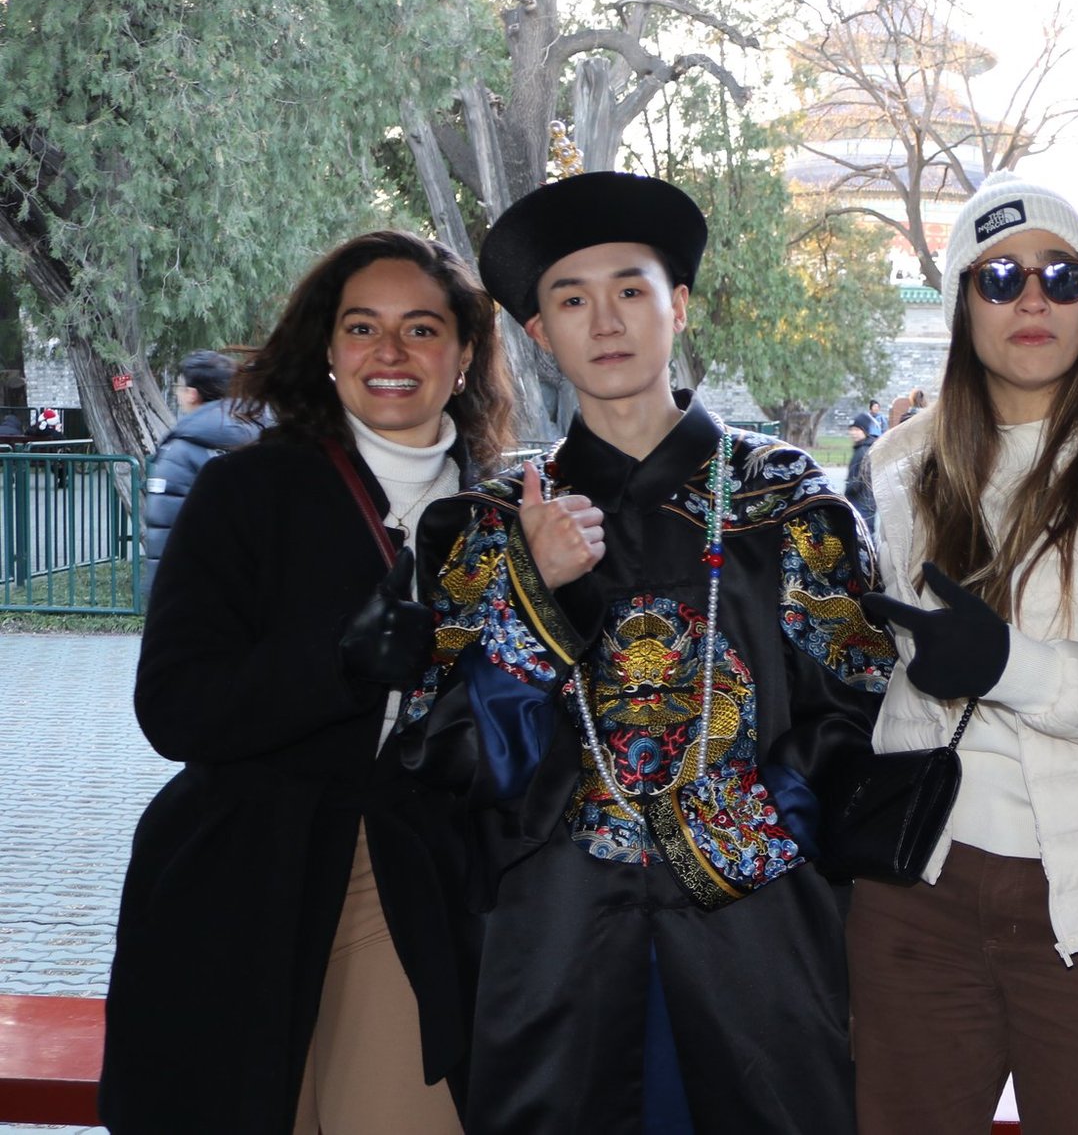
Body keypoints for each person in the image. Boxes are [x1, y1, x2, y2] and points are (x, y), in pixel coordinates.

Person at [403, 171, 893, 1135]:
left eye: (630, 290)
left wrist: (756, 823)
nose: (606, 321)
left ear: (677, 307)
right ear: (538, 335)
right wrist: (535, 591)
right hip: (556, 927)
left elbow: (861, 700)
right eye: (570, 300)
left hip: (753, 914)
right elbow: (450, 747)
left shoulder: (786, 501)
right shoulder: (489, 519)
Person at [101, 230, 513, 1134]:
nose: (391, 353)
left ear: (467, 350)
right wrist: (334, 662)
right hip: (247, 878)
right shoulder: (248, 492)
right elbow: (173, 708)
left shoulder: (509, 511)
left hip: (423, 879)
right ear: (327, 349)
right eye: (362, 327)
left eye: (421, 328)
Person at [849, 170, 1078, 1135]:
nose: (1032, 299)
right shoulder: (900, 466)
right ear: (960, 303)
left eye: (1062, 276)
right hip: (918, 889)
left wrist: (1008, 664)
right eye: (999, 275)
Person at [139, 349, 261, 599]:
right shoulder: (270, 436)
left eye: (179, 386)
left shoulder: (181, 452)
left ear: (192, 394)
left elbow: (166, 531)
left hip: (198, 596)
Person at [845, 407, 880, 529]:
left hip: (861, 503)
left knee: (863, 537)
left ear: (864, 431)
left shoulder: (863, 451)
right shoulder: (863, 448)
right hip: (867, 503)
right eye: (852, 429)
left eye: (857, 429)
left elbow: (858, 480)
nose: (853, 433)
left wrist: (845, 495)